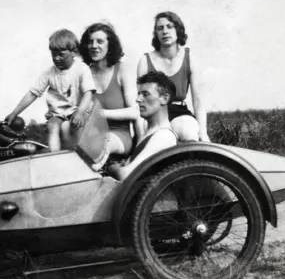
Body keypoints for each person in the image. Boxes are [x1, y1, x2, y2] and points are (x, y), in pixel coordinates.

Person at [5, 29, 96, 152]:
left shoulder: (82, 69)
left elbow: (88, 93)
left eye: (61, 55)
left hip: (78, 110)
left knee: (72, 127)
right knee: (52, 126)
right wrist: (15, 113)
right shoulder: (49, 73)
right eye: (53, 55)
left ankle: (76, 154)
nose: (57, 58)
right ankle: (55, 156)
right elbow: (33, 93)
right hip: (59, 113)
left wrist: (80, 112)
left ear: (74, 52)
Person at [137, 11, 210, 142]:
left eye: (169, 26)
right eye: (160, 28)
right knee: (155, 141)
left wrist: (203, 134)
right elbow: (140, 100)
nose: (165, 31)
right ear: (156, 33)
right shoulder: (145, 60)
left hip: (179, 111)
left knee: (188, 132)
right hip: (154, 113)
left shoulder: (190, 58)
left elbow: (198, 102)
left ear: (178, 30)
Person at [79, 22, 139, 171]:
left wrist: (101, 114)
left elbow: (135, 111)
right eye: (90, 42)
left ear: (110, 45)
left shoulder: (122, 70)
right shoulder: (83, 73)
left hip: (119, 135)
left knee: (100, 142)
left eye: (100, 41)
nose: (94, 46)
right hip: (90, 134)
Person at [109, 71, 178, 181]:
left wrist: (113, 169)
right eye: (139, 94)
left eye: (145, 94)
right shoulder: (150, 131)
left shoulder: (164, 136)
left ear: (164, 99)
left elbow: (126, 175)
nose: (138, 99)